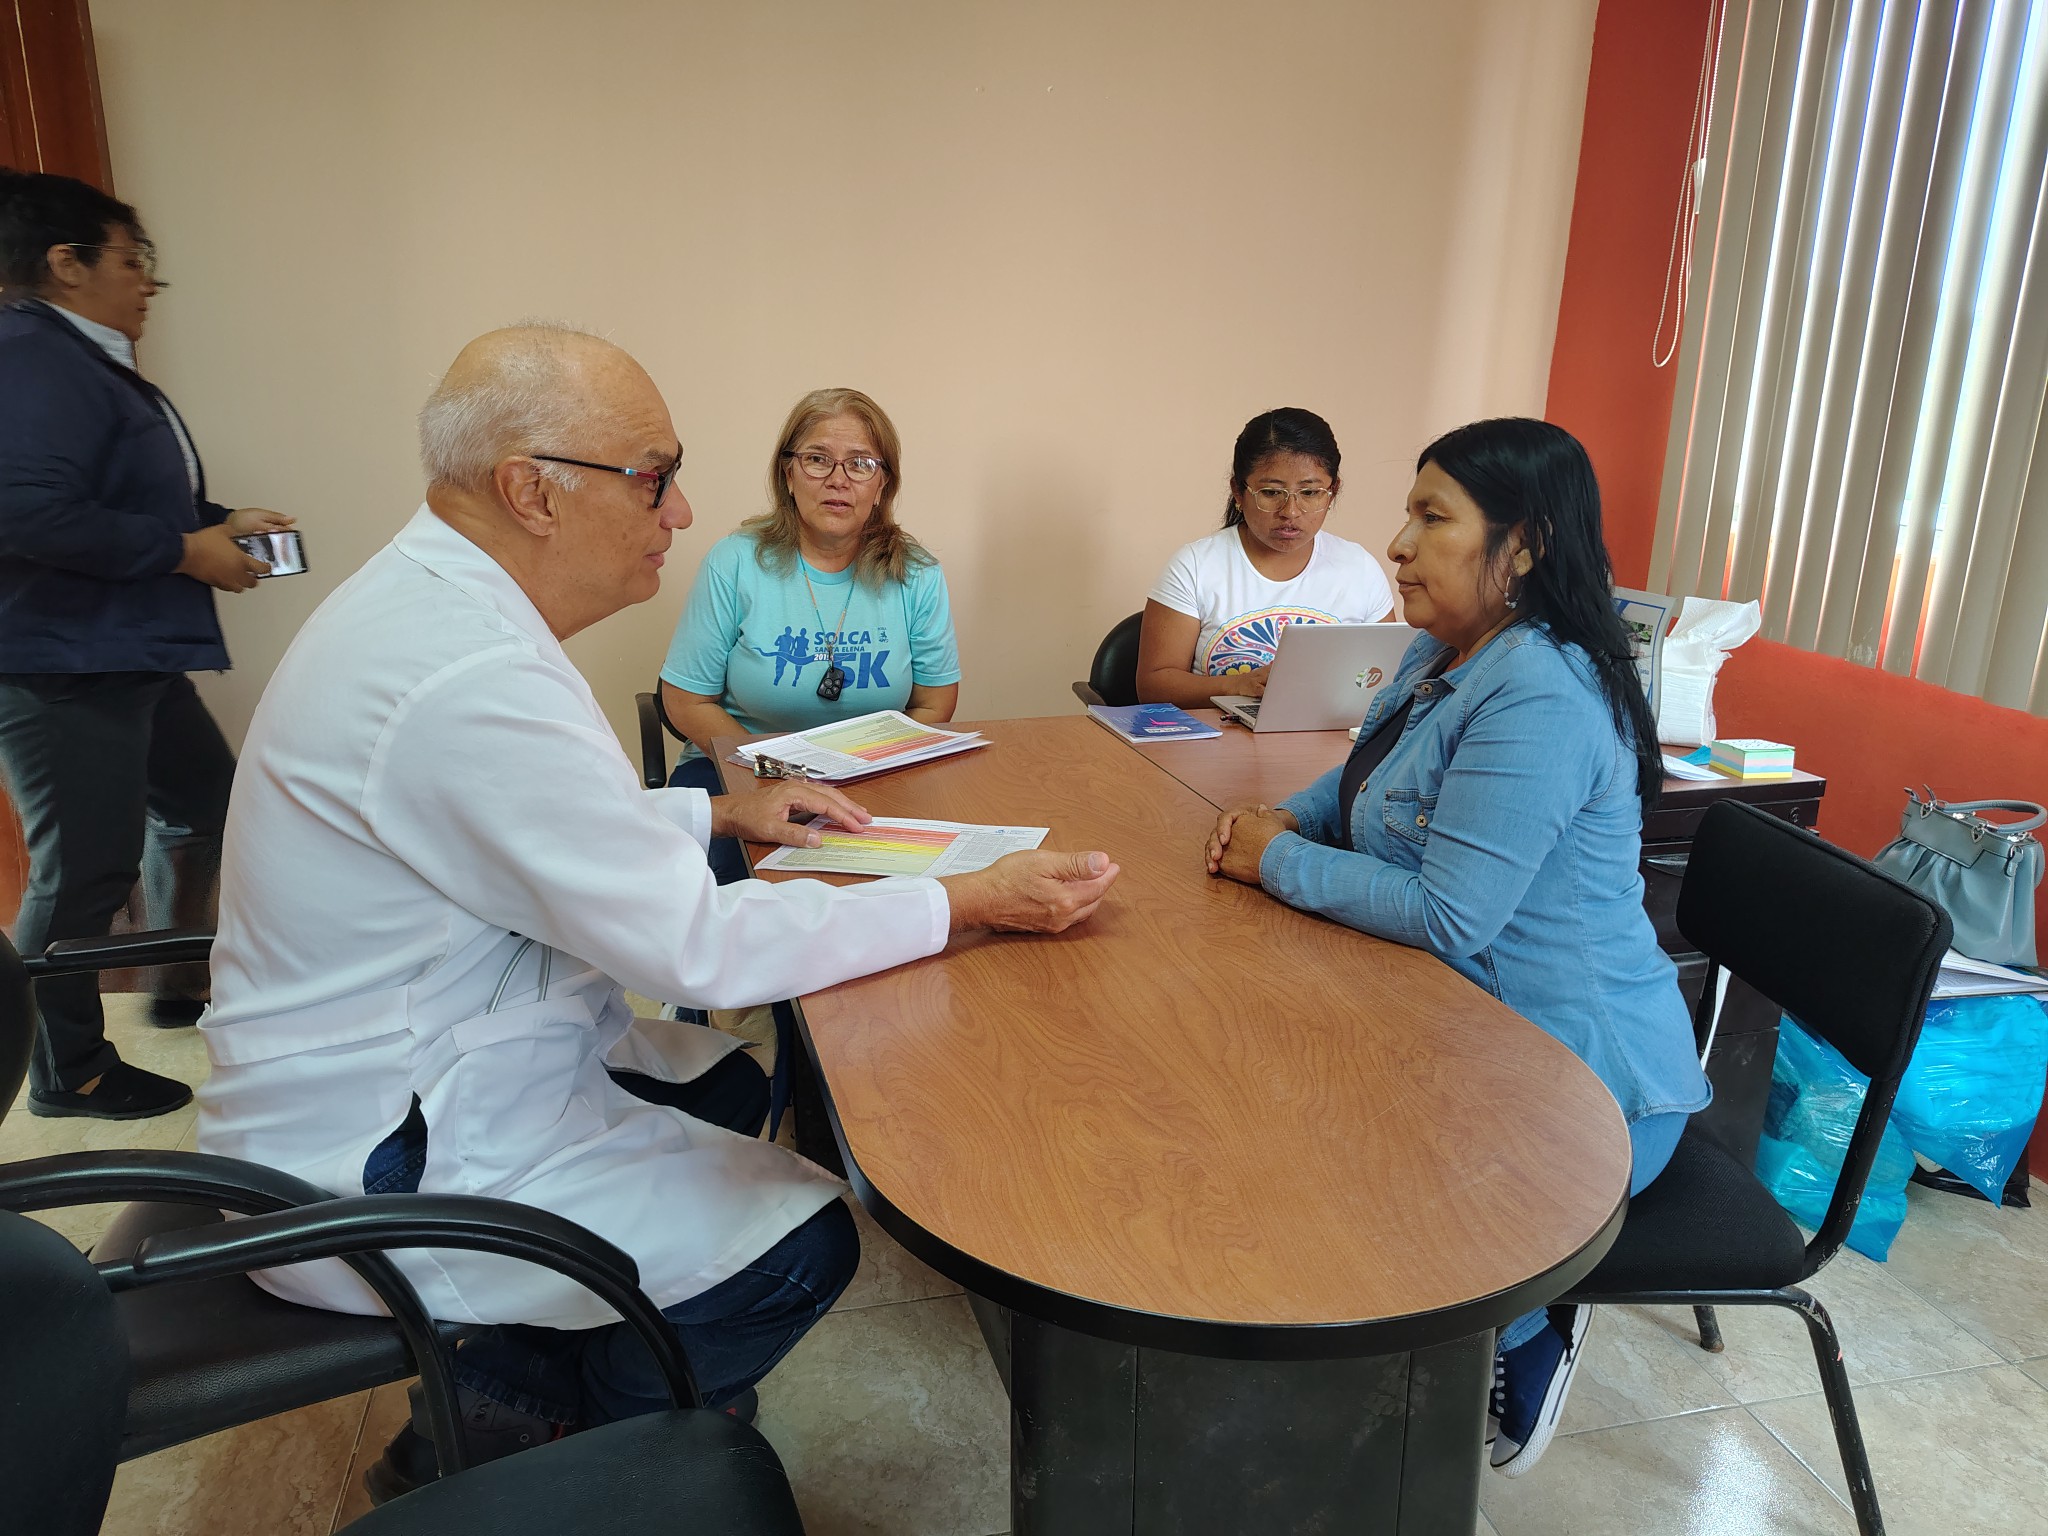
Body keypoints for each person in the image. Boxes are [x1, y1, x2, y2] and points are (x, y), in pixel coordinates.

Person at [195, 324, 1119, 1500]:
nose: (677, 512)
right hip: (377, 1152)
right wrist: (957, 900)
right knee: (801, 1243)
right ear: (533, 490)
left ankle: (550, 1374)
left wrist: (716, 814)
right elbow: (701, 948)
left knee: (728, 1086)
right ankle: (560, 1446)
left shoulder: (441, 611)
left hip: (414, 1053)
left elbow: (524, 818)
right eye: (652, 478)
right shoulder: (468, 675)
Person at [1204, 418, 1708, 1478]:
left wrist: (1273, 862)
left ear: (1521, 545)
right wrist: (1287, 821)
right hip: (1461, 1027)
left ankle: (1527, 1328)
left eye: (1432, 518)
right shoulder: (1446, 649)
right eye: (1408, 513)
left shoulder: (1542, 691)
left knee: (1336, 1177)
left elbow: (1448, 915)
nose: (1397, 543)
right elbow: (1364, 783)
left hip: (1583, 1084)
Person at [0, 169, 293, 1120]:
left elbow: (104, 501)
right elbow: (25, 512)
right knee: (83, 872)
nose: (149, 281)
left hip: (125, 655)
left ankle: (175, 981)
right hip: (64, 663)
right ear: (66, 262)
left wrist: (215, 523)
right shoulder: (27, 355)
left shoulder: (79, 359)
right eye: (133, 259)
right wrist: (184, 550)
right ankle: (66, 1070)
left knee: (206, 807)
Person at [658, 387, 959, 885]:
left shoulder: (917, 573)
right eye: (818, 459)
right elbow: (685, 701)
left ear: (882, 484)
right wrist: (772, 772)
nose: (838, 480)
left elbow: (935, 702)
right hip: (737, 771)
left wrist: (869, 769)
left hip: (871, 778)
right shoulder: (735, 561)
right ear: (788, 474)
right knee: (736, 905)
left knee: (900, 897)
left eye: (860, 464)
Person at [1136, 407, 1393, 709]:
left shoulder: (1359, 568)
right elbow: (1153, 686)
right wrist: (1237, 685)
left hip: (1328, 735)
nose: (1290, 512)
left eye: (1310, 493)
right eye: (1271, 492)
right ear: (1238, 491)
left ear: (1332, 491)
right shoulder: (1195, 566)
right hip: (1218, 735)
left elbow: (1390, 678)